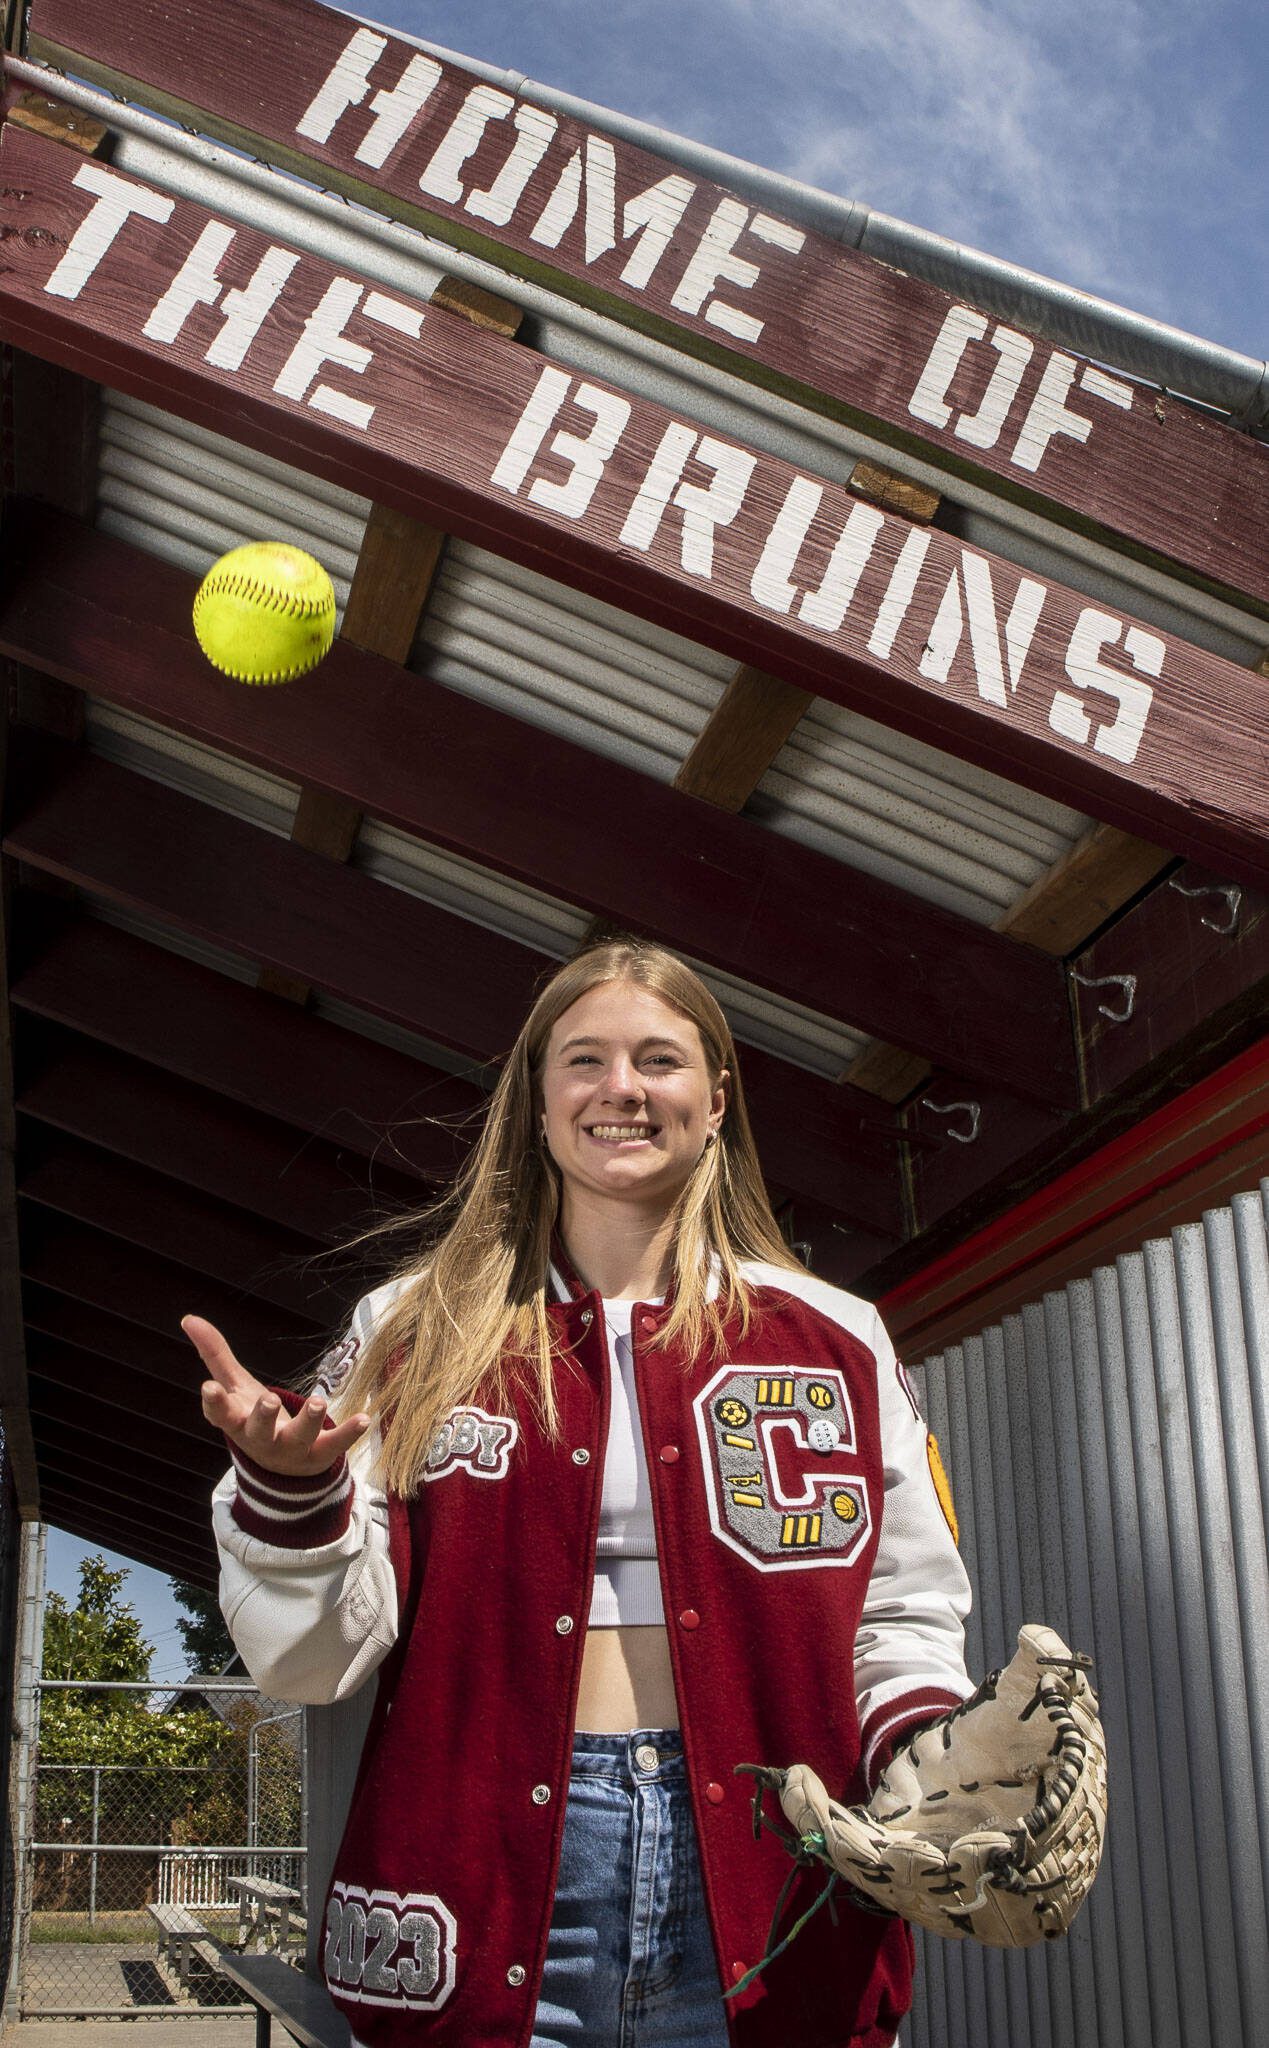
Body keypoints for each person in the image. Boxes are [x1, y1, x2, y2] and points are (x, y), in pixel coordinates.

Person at [185, 939, 973, 2048]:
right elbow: (306, 1661)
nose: (622, 1088)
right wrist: (291, 1494)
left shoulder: (834, 1336)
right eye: (585, 1059)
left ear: (715, 1097)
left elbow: (901, 1616)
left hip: (774, 1881)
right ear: (536, 1098)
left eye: (659, 1058)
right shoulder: (410, 1330)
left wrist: (933, 1755)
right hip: (470, 1883)